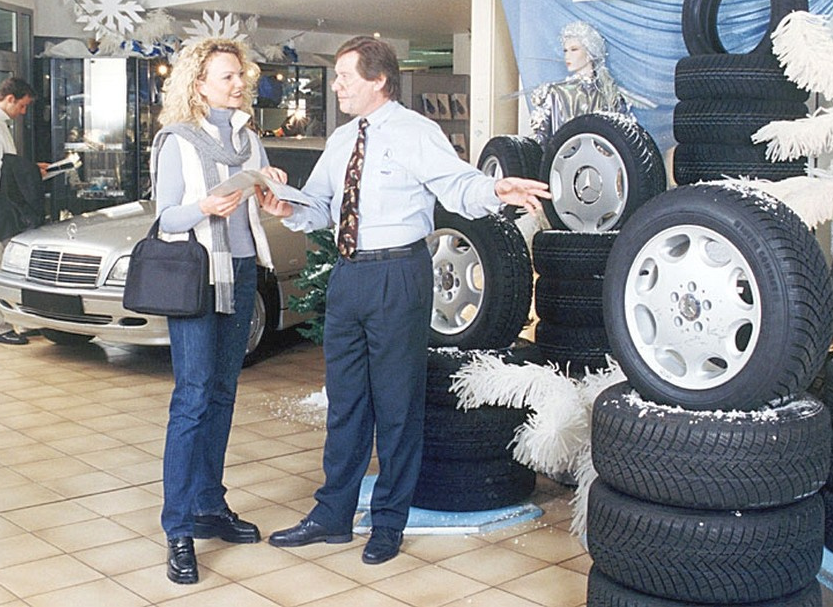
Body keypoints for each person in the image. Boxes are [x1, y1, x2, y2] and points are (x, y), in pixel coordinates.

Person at [260, 35, 550, 565]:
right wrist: (286, 208)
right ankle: (332, 516)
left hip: (399, 273)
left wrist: (496, 190)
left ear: (378, 80)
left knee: (396, 405)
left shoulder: (418, 133)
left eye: (347, 75)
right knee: (345, 402)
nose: (338, 84)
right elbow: (322, 206)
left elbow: (457, 186)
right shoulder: (342, 139)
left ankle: (389, 523)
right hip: (349, 277)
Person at [152, 38, 287, 585]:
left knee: (223, 394)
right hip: (198, 280)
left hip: (243, 274)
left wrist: (270, 188)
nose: (238, 84)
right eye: (226, 77)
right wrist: (203, 207)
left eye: (240, 76)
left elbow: (259, 208)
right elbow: (166, 218)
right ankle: (179, 528)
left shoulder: (250, 141)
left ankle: (211, 504)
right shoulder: (177, 141)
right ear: (198, 84)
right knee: (192, 399)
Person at [0, 77, 45, 345]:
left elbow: (7, 165)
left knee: (11, 262)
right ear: (10, 99)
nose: (23, 112)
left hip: (2, 200)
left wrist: (30, 169)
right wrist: (29, 172)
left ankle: (19, 321)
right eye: (23, 106)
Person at [529, 20, 633, 144]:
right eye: (565, 50)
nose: (567, 56)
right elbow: (540, 140)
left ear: (590, 53)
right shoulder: (555, 92)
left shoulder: (609, 94)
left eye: (574, 49)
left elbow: (624, 137)